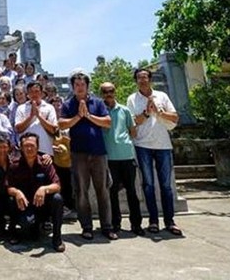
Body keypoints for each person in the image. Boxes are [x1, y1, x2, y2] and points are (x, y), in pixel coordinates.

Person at [59, 70, 115, 240]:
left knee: (103, 190)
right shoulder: (68, 104)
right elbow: (62, 124)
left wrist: (88, 116)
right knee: (81, 191)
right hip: (78, 153)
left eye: (83, 84)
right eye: (76, 85)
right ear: (73, 87)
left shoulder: (97, 102)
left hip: (98, 152)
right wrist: (78, 116)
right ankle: (87, 226)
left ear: (87, 86)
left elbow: (107, 122)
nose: (80, 87)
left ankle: (107, 226)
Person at [127, 68, 182, 236]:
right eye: (139, 78)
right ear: (136, 81)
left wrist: (159, 112)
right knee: (148, 185)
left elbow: (175, 117)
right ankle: (153, 220)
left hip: (163, 144)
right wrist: (146, 112)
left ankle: (169, 220)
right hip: (142, 144)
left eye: (145, 77)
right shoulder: (132, 99)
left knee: (166, 185)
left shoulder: (162, 96)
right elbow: (132, 122)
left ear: (150, 79)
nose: (142, 80)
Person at [6, 132, 65, 252]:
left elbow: (57, 185)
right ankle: (14, 232)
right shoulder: (15, 165)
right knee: (11, 199)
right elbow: (8, 187)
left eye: (32, 145)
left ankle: (57, 239)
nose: (29, 148)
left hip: (43, 206)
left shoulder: (45, 163)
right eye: (26, 146)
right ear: (21, 147)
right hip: (26, 206)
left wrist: (44, 189)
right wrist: (17, 192)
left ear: (37, 147)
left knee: (57, 199)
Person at [100, 82, 144, 236]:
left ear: (115, 92)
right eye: (105, 92)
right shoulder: (100, 111)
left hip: (126, 156)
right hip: (110, 158)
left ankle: (136, 225)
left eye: (111, 91)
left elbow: (133, 131)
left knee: (132, 192)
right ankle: (115, 224)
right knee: (112, 193)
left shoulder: (124, 110)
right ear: (101, 94)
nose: (108, 94)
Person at [14, 82, 58, 155]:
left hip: (45, 151)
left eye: (36, 91)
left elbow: (53, 130)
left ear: (41, 93)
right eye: (31, 92)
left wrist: (39, 116)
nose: (34, 94)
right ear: (27, 94)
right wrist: (31, 116)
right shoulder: (21, 108)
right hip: (26, 151)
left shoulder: (49, 108)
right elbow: (18, 129)